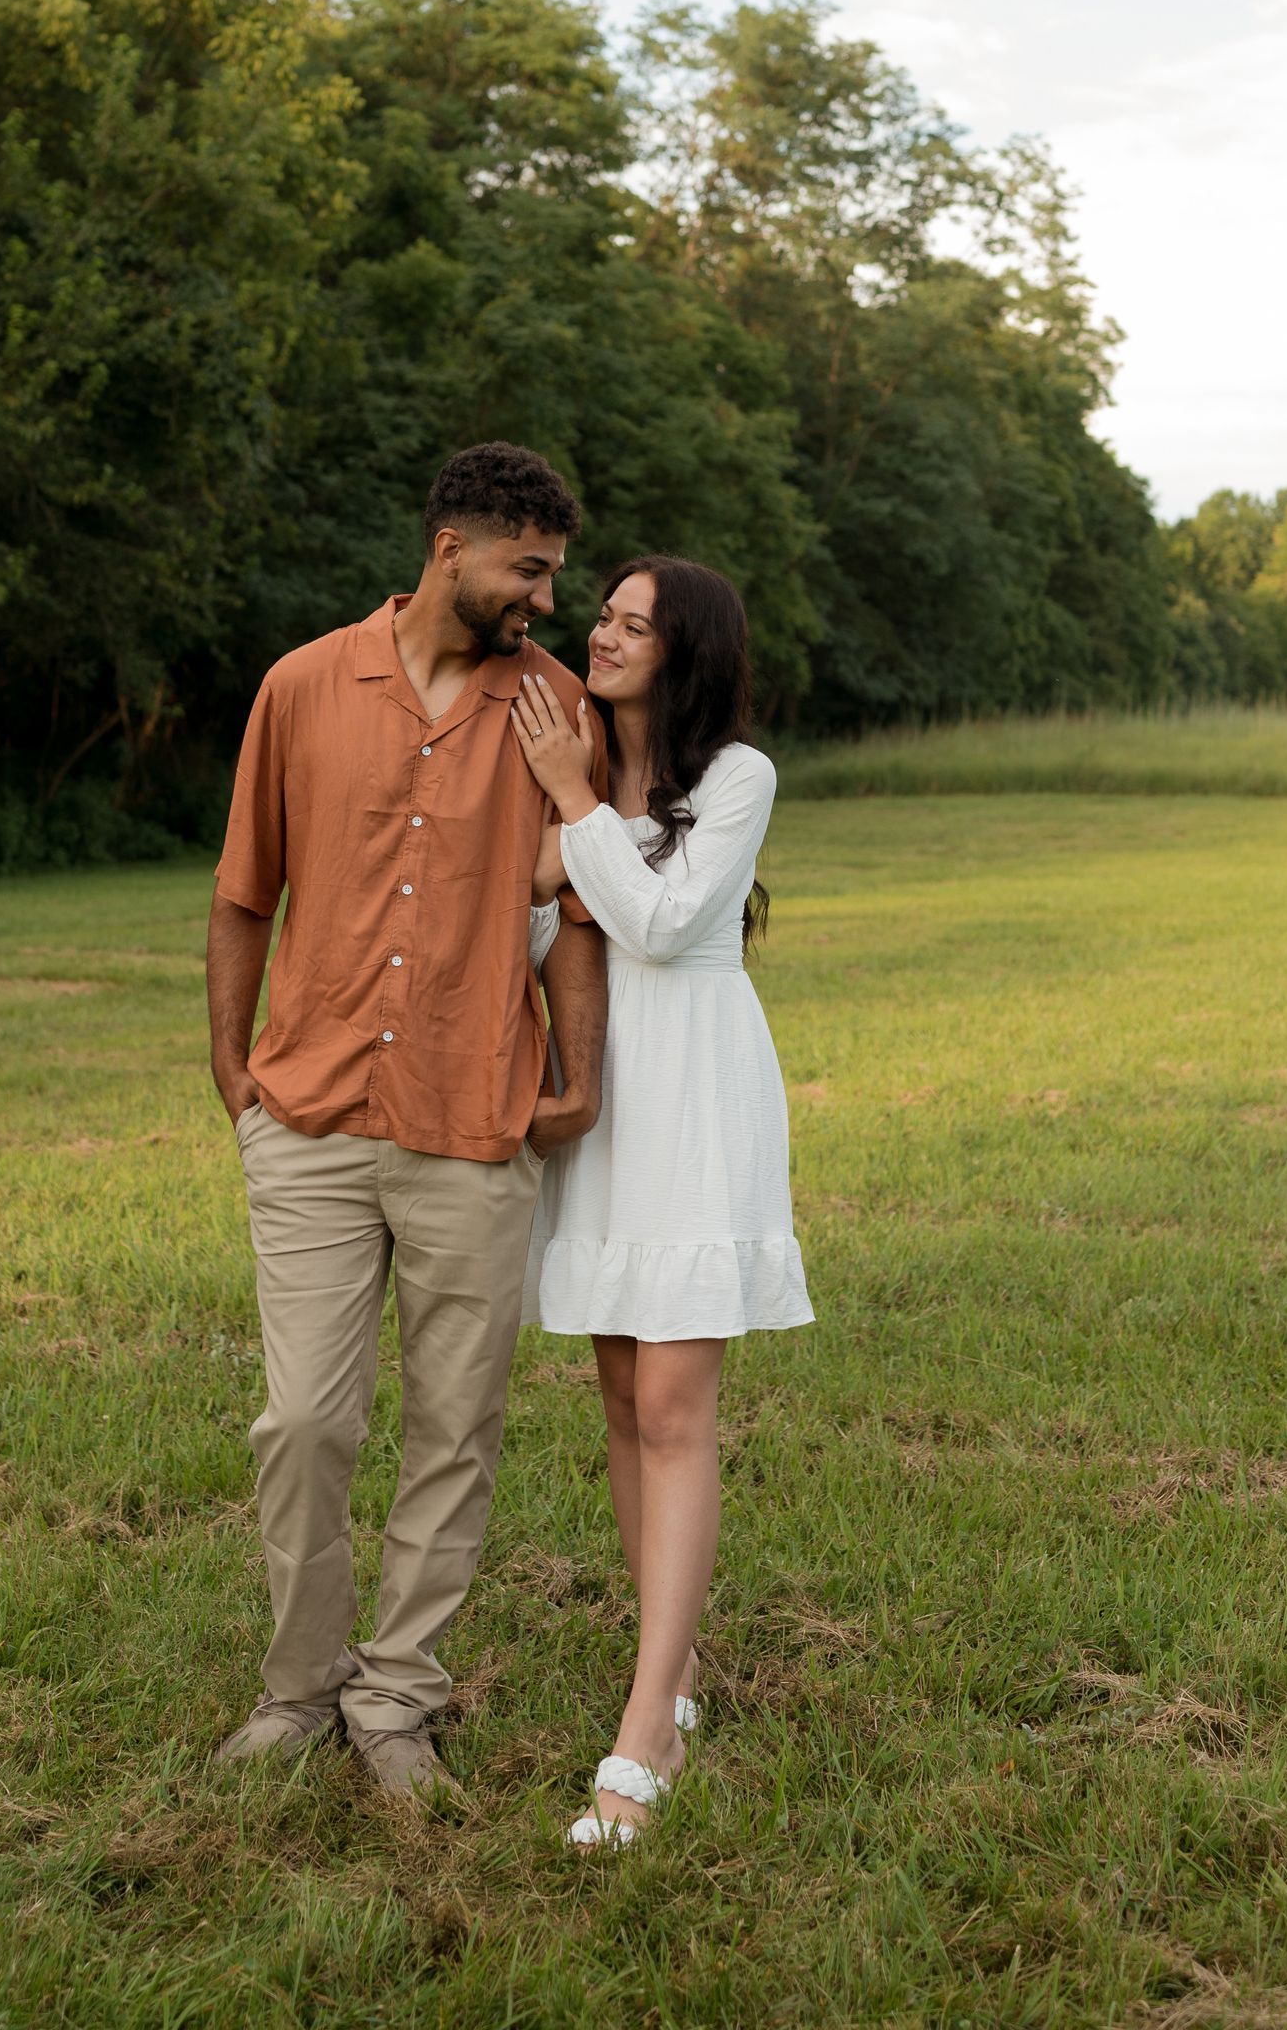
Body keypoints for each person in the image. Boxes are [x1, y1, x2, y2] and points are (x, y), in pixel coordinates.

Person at [205, 443, 610, 1801]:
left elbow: (574, 916)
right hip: (311, 1114)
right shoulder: (304, 686)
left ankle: (398, 1703)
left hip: (471, 1117)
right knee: (303, 1423)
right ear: (453, 549)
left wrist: (579, 1076)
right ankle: (296, 1691)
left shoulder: (554, 709)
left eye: (555, 574)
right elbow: (242, 890)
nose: (547, 600)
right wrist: (232, 1067)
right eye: (530, 570)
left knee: (456, 1426)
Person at [510, 556, 813, 1847]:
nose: (606, 632)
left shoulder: (736, 779)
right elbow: (536, 942)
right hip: (602, 1107)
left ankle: (644, 1739)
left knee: (680, 1407)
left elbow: (668, 924)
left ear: (685, 653)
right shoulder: (560, 776)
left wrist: (572, 807)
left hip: (694, 1109)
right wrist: (562, 826)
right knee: (626, 1403)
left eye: (637, 624)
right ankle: (671, 1674)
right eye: (606, 616)